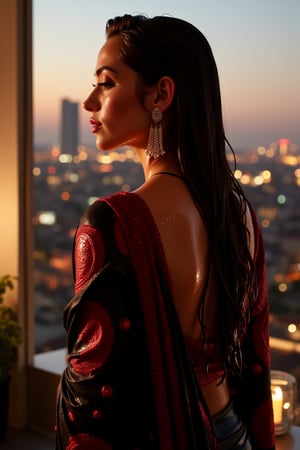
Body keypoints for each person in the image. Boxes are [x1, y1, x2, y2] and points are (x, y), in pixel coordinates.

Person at [56, 14, 275, 450]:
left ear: (161, 93)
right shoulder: (238, 211)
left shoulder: (114, 221)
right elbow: (254, 355)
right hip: (234, 430)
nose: (89, 102)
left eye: (106, 82)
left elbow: (91, 400)